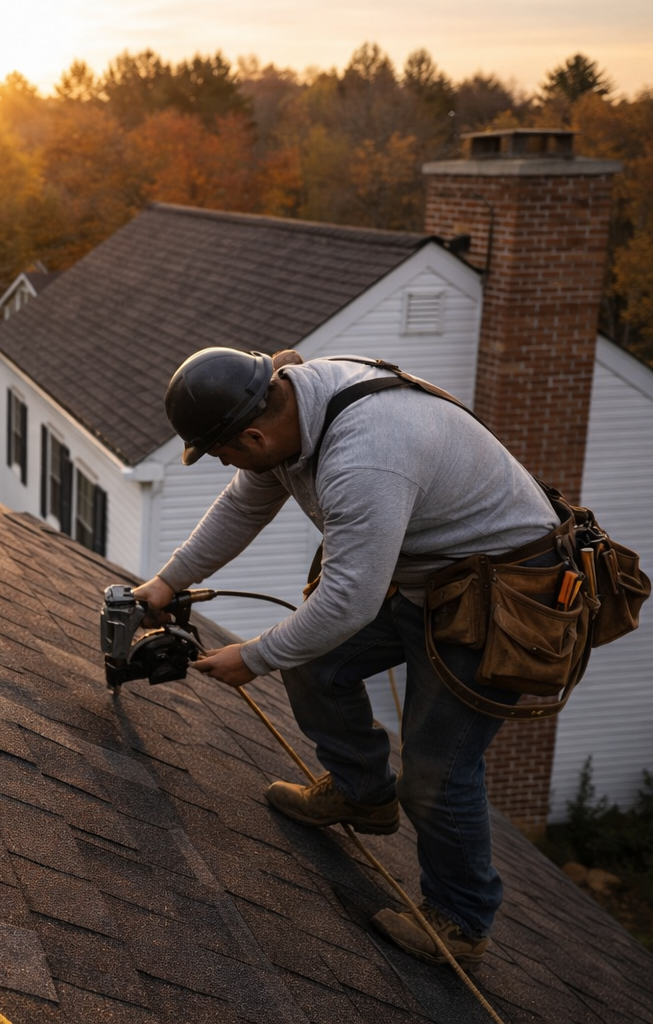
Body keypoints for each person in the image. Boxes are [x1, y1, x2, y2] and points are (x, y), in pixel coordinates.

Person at [132, 347, 559, 965]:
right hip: (428, 577)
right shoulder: (292, 408)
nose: (226, 464)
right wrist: (167, 582)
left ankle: (462, 920)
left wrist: (253, 658)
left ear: (253, 433)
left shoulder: (367, 456)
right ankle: (363, 794)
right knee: (315, 661)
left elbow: (350, 601)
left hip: (505, 596)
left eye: (224, 453)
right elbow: (244, 504)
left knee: (438, 772)